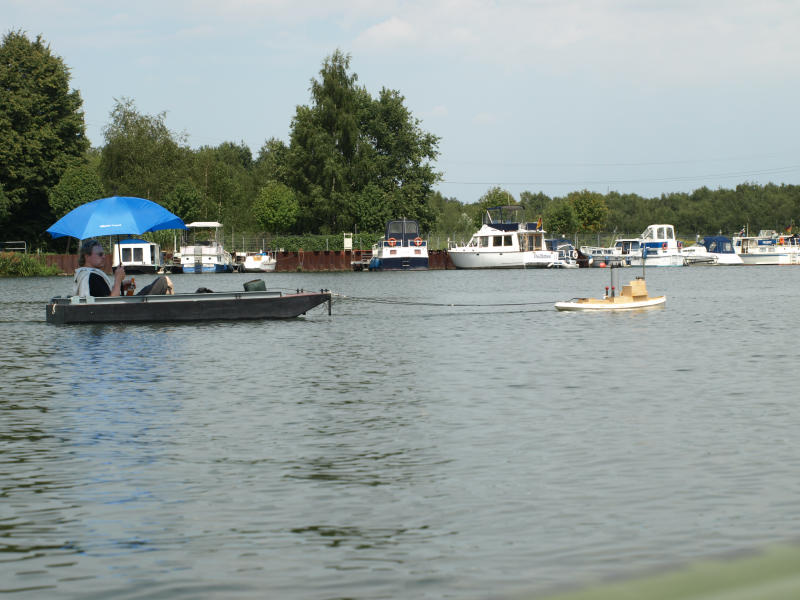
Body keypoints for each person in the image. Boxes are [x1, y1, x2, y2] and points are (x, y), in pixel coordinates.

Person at [73, 239, 174, 297]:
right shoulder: (92, 276)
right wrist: (117, 280)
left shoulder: (87, 275)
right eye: (100, 254)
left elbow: (104, 296)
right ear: (87, 256)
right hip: (122, 311)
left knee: (164, 281)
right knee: (164, 281)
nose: (104, 256)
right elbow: (110, 303)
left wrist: (120, 285)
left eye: (103, 254)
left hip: (122, 309)